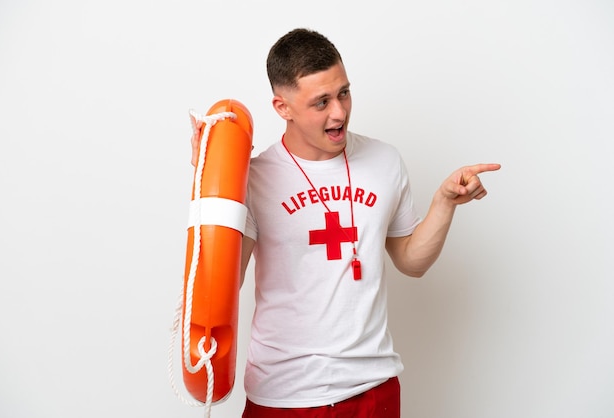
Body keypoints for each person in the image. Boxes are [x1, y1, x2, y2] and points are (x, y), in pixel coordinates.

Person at [190, 28, 500, 418]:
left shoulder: (384, 160)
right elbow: (224, 283)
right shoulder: (254, 177)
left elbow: (411, 261)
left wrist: (445, 203)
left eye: (344, 93)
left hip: (374, 387)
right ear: (282, 107)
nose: (339, 112)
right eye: (321, 102)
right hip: (285, 394)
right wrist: (211, 188)